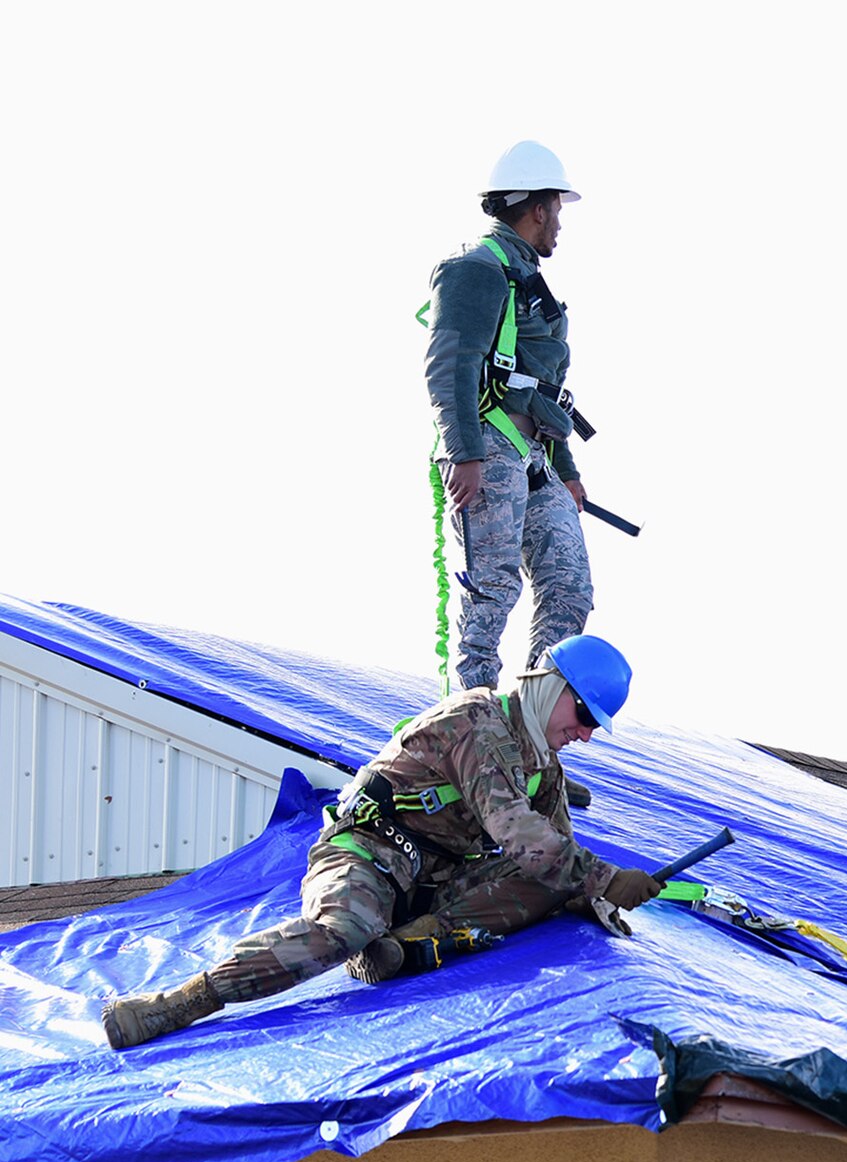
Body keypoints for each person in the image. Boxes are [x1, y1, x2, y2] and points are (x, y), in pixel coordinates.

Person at [100, 636, 662, 1050]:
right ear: (553, 686)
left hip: (432, 880)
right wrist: (607, 879)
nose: (587, 733)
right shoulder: (480, 725)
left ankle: (412, 942)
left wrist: (596, 895)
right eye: (586, 713)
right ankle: (177, 1005)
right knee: (342, 931)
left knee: (553, 883)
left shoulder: (544, 764)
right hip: (368, 852)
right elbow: (518, 833)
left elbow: (558, 850)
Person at [424, 140, 597, 804]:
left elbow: (543, 387)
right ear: (535, 206)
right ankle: (465, 742)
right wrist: (463, 451)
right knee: (488, 594)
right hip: (488, 451)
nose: (561, 221)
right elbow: (450, 365)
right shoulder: (476, 270)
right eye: (557, 207)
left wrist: (568, 469)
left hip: (536, 457)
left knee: (569, 588)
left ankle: (528, 744)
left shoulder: (527, 278)